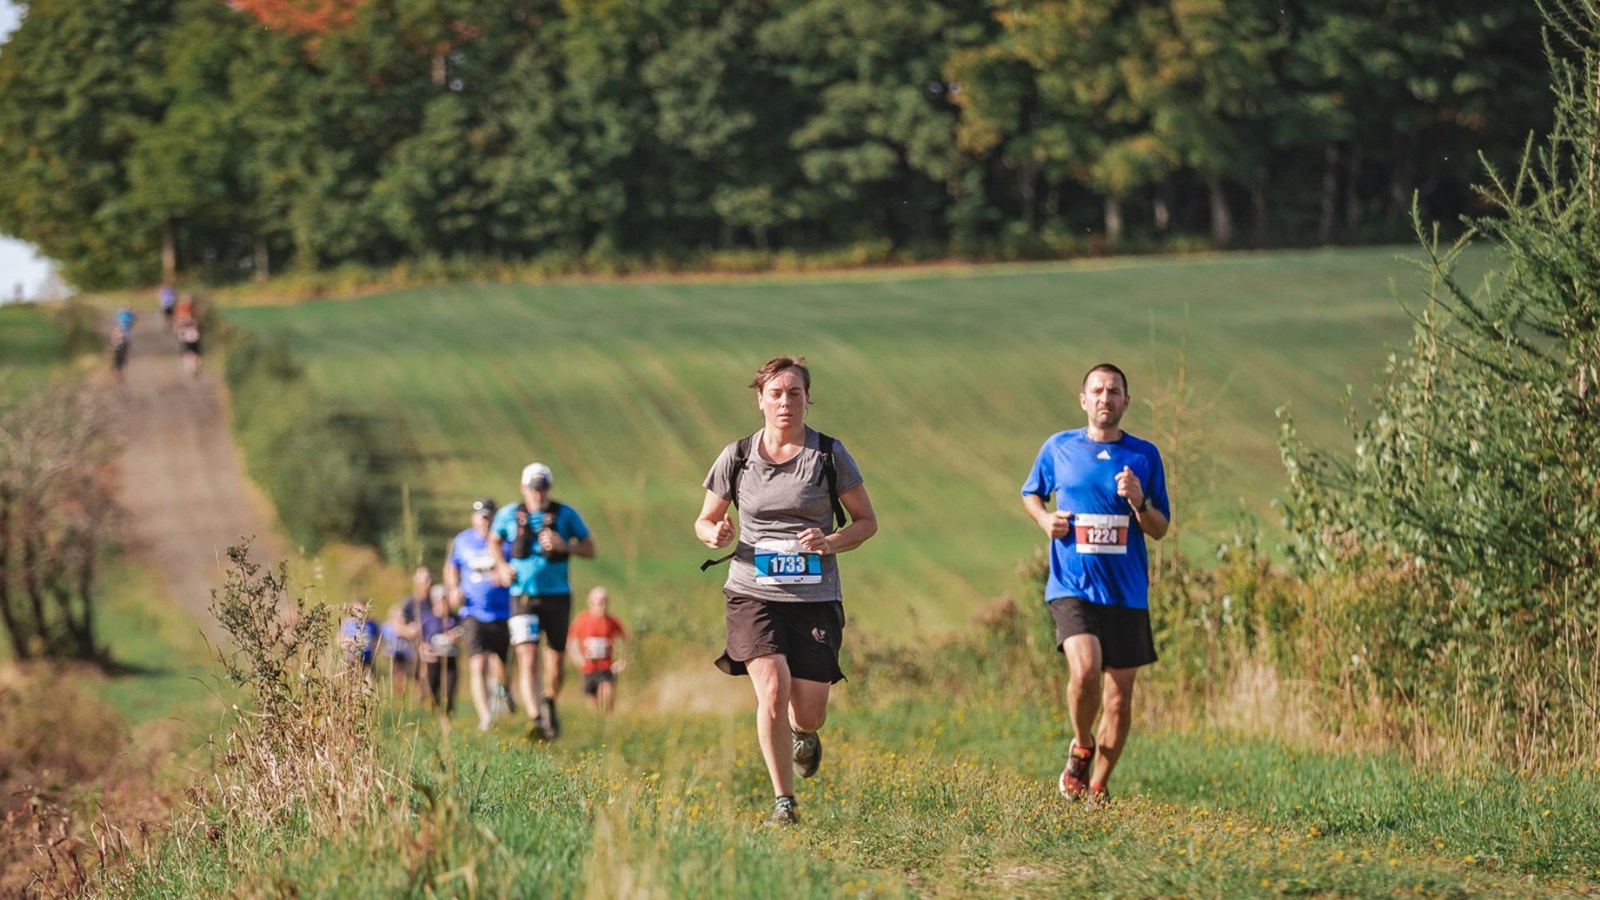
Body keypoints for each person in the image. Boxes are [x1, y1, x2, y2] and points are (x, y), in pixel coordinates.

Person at [694, 356, 878, 826]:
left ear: (806, 399)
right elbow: (705, 519)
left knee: (809, 710)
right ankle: (784, 802)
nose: (785, 402)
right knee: (771, 689)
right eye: (775, 394)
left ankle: (804, 733)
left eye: (794, 393)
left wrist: (829, 541)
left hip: (814, 598)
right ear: (760, 401)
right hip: (751, 592)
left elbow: (866, 523)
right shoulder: (736, 455)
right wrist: (713, 534)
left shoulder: (828, 455)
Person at [1020, 363, 1171, 805]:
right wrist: (1046, 519)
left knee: (1120, 700)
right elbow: (1031, 493)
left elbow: (1160, 529)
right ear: (1084, 400)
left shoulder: (1144, 457)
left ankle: (1097, 789)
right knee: (1084, 671)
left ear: (1126, 401)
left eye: (1114, 391)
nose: (1106, 398)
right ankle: (1082, 743)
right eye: (1098, 391)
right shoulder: (1059, 448)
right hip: (1073, 585)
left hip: (1126, 594)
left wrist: (1140, 501)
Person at [491, 462, 595, 740]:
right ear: (523, 488)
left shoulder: (566, 514)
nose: (538, 494)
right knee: (527, 657)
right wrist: (500, 565)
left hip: (558, 597)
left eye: (543, 488)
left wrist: (566, 546)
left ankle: (549, 699)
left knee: (556, 663)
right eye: (533, 489)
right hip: (522, 596)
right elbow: (493, 540)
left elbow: (590, 548)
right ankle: (536, 719)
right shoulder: (509, 515)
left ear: (549, 488)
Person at [446, 498, 514, 732]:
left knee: (502, 666)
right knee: (478, 663)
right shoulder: (462, 541)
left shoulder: (505, 541)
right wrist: (453, 589)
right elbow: (452, 567)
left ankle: (503, 692)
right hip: (473, 612)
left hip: (503, 613)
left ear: (495, 518)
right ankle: (485, 717)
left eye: (488, 517)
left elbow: (515, 569)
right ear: (473, 518)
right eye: (481, 517)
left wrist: (505, 574)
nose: (485, 521)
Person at [567, 586, 629, 715]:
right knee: (592, 702)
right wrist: (577, 657)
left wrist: (623, 660)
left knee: (607, 692)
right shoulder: (582, 619)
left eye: (604, 601)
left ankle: (608, 720)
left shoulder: (612, 621)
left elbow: (626, 639)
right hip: (588, 668)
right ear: (590, 602)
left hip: (606, 667)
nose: (602, 605)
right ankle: (596, 725)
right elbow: (571, 640)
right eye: (598, 601)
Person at [417, 583, 463, 718]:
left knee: (449, 690)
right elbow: (419, 639)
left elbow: (463, 632)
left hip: (450, 659)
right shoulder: (427, 618)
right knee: (432, 689)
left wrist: (457, 637)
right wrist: (423, 648)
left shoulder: (455, 618)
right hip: (433, 661)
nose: (444, 605)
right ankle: (435, 715)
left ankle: (447, 715)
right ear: (434, 602)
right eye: (441, 602)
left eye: (446, 601)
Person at [379, 603, 417, 698]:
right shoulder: (386, 627)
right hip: (393, 656)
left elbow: (412, 633)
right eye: (398, 616)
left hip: (407, 657)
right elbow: (396, 631)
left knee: (410, 678)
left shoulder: (408, 625)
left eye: (402, 616)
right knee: (398, 677)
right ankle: (397, 696)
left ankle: (406, 697)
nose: (401, 618)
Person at [338, 599, 381, 684]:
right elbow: (339, 640)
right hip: (351, 660)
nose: (360, 612)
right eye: (357, 610)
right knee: (352, 684)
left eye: (362, 610)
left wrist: (375, 651)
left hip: (367, 660)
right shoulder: (347, 623)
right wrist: (348, 643)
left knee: (368, 683)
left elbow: (378, 639)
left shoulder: (372, 624)